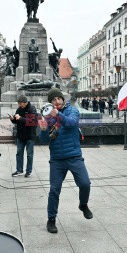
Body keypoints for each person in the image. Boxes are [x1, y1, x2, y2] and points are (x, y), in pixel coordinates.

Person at [39, 88, 92, 233]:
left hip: (74, 156)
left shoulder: (72, 111)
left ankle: (83, 204)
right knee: (54, 190)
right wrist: (43, 130)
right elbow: (44, 140)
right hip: (57, 159)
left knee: (85, 183)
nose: (56, 101)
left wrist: (58, 115)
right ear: (50, 102)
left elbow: (71, 123)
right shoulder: (48, 117)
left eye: (58, 99)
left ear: (62, 100)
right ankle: (51, 220)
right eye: (53, 100)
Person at [10, 95, 37, 177]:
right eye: (18, 103)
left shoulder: (31, 109)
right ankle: (19, 170)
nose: (19, 105)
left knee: (29, 154)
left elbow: (32, 122)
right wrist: (13, 119)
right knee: (19, 153)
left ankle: (28, 171)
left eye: (21, 103)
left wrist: (20, 118)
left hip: (29, 136)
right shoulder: (19, 109)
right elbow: (17, 121)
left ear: (25, 102)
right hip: (20, 135)